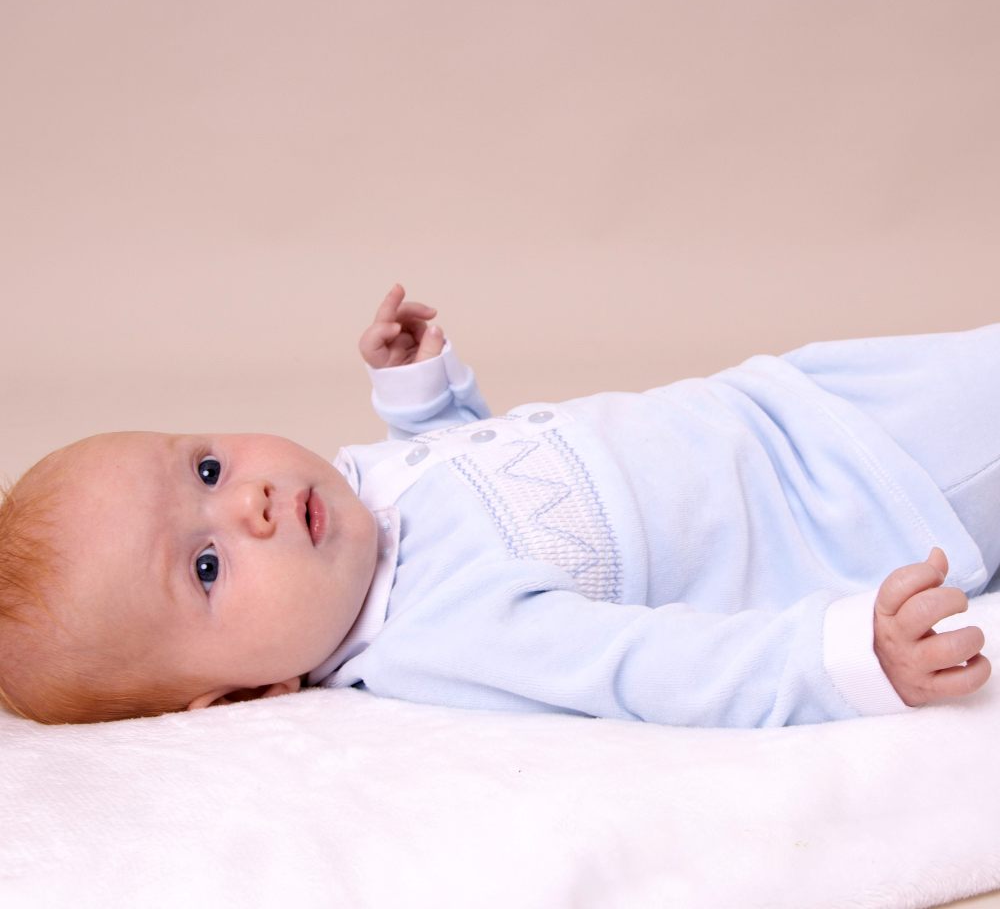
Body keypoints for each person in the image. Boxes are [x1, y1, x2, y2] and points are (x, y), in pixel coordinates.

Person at [0, 285, 994, 727]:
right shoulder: (444, 635)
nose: (250, 504)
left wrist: (422, 400)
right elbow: (648, 666)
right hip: (866, 494)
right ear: (248, 694)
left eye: (206, 470)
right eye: (206, 567)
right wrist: (843, 658)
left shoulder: (353, 497)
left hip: (789, 398)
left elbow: (487, 483)